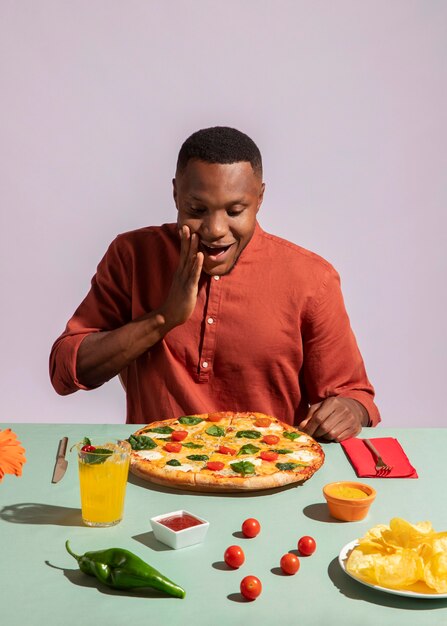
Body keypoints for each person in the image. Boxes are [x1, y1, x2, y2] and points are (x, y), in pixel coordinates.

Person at [50, 126, 380, 442]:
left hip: (270, 473)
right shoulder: (133, 256)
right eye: (197, 209)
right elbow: (66, 370)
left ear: (260, 197)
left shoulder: (311, 278)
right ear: (176, 193)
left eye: (235, 210)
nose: (215, 229)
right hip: (158, 472)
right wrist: (163, 319)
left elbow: (355, 397)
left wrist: (348, 410)